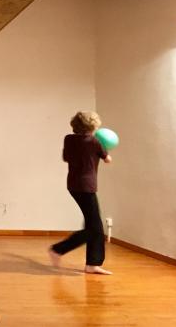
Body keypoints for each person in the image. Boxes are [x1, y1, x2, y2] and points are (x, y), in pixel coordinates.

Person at [48, 111, 113, 275]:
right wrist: (106, 153)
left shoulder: (69, 139)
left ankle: (92, 263)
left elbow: (66, 157)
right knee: (95, 228)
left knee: (94, 225)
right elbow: (107, 159)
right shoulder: (94, 142)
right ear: (93, 126)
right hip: (87, 187)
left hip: (73, 185)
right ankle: (58, 249)